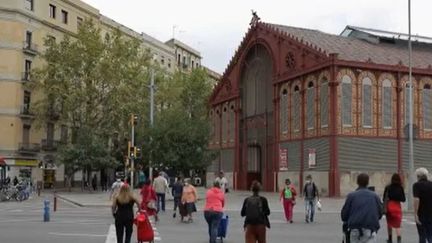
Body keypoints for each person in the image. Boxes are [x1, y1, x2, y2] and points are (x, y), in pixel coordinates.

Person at [341, 173, 383, 243]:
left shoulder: (351, 196)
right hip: (370, 228)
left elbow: (344, 216)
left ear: (357, 182)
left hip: (355, 228)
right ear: (368, 182)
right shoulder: (375, 196)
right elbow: (380, 213)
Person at [383, 173, 406, 243]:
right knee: (398, 225)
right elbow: (403, 199)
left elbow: (384, 198)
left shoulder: (388, 187)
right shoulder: (401, 188)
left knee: (389, 223)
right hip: (397, 207)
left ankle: (390, 239)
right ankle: (399, 240)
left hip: (389, 206)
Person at [413, 167, 432, 243]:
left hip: (421, 213)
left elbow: (416, 199)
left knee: (422, 235)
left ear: (418, 176)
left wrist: (415, 213)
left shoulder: (416, 185)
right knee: (430, 235)